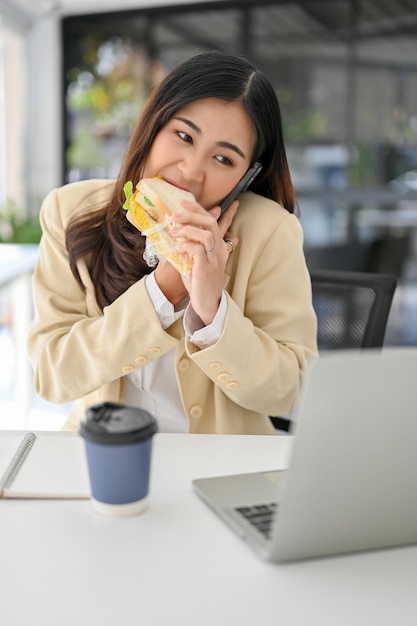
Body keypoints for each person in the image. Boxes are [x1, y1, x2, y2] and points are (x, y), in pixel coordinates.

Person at [27, 50, 317, 435]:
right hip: (101, 457)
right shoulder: (70, 210)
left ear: (246, 178)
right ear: (152, 125)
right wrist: (162, 291)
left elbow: (289, 390)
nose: (192, 171)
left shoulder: (270, 231)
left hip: (222, 464)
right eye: (183, 136)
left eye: (224, 159)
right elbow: (52, 375)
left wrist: (212, 311)